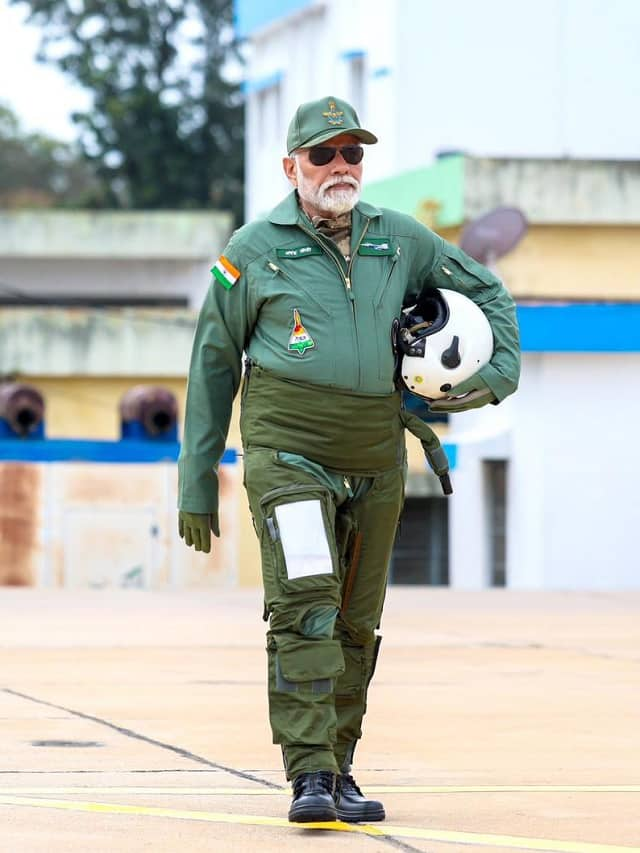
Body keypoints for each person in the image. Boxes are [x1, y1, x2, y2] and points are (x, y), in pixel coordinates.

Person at [178, 96, 520, 824]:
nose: (340, 167)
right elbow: (212, 361)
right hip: (288, 449)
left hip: (375, 453)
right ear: (291, 166)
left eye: (352, 153)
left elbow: (486, 289)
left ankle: (341, 766)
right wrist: (196, 475)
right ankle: (309, 772)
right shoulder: (249, 249)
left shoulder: (399, 240)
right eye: (323, 154)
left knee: (356, 622)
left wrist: (498, 374)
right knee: (307, 605)